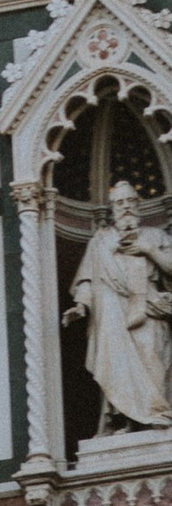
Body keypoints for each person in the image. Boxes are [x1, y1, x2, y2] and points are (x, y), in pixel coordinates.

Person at [69, 178, 172, 431]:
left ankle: (158, 415)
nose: (125, 207)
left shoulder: (155, 236)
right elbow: (88, 278)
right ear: (112, 209)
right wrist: (81, 305)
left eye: (129, 201)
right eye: (119, 202)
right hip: (112, 313)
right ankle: (126, 420)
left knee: (153, 360)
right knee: (117, 368)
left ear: (139, 205)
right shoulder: (101, 241)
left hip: (149, 310)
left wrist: (149, 250)